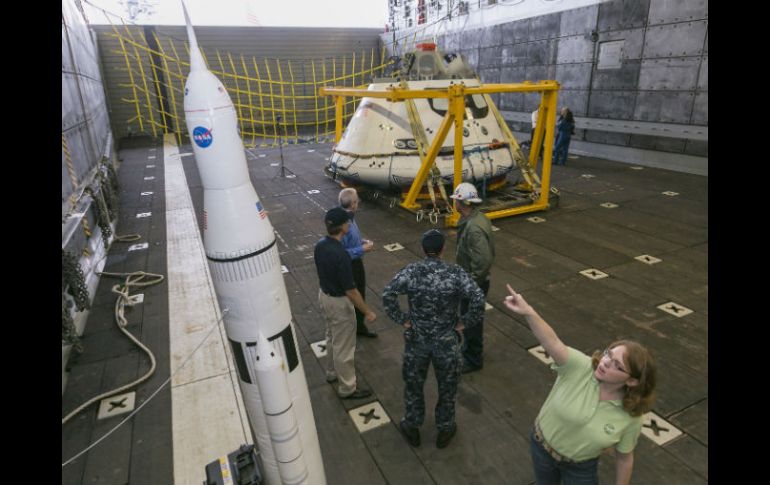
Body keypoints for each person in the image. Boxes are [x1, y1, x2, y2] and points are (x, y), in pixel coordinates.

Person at [502, 284, 657, 485]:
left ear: (632, 380)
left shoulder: (631, 415)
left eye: (617, 365)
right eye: (608, 354)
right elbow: (552, 342)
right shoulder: (580, 367)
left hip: (581, 467)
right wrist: (528, 312)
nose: (605, 362)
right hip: (541, 449)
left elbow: (625, 458)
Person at [382, 229, 485, 449]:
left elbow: (388, 294)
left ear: (423, 249)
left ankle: (412, 425)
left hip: (417, 341)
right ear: (443, 249)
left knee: (413, 385)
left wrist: (403, 319)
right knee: (448, 387)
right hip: (446, 343)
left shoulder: (412, 271)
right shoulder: (455, 273)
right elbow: (478, 298)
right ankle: (445, 428)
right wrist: (465, 322)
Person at [313, 207, 377, 400]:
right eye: (347, 222)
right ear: (343, 227)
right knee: (344, 347)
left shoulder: (320, 245)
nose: (349, 224)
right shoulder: (341, 255)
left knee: (331, 336)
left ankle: (331, 372)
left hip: (324, 296)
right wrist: (367, 311)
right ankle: (348, 388)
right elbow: (351, 291)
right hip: (339, 303)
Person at [449, 182, 495, 374]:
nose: (454, 203)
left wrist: (469, 285)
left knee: (472, 323)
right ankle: (469, 351)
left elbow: (483, 262)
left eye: (456, 200)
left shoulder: (473, 228)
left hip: (474, 283)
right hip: (472, 280)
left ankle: (473, 360)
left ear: (462, 203)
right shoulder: (477, 218)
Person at [338, 188, 377, 338]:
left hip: (356, 263)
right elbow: (340, 252)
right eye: (357, 200)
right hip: (351, 265)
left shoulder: (349, 218)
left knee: (358, 293)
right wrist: (362, 249)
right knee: (356, 295)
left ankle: (358, 326)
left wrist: (361, 241)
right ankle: (355, 327)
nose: (358, 202)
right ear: (353, 204)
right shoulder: (344, 223)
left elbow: (351, 240)